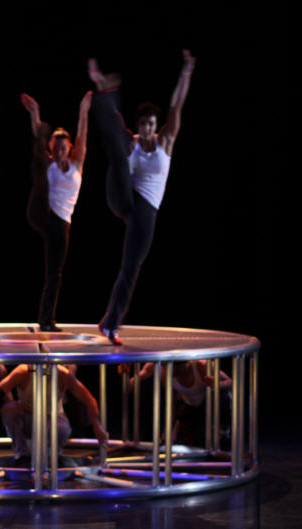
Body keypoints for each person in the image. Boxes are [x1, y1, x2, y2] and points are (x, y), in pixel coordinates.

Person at [88, 51, 196, 344]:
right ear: (139, 126)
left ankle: (110, 322)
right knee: (118, 147)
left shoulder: (165, 141)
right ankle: (106, 90)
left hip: (145, 210)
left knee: (130, 266)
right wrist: (101, 87)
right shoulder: (132, 141)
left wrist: (186, 72)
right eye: (143, 125)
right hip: (123, 197)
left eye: (151, 124)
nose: (147, 129)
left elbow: (176, 105)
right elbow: (115, 126)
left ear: (155, 126)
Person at [20, 91, 92, 331]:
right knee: (39, 166)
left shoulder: (76, 164)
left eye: (63, 147)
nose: (60, 150)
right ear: (52, 147)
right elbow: (38, 138)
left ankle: (46, 320)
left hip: (60, 222)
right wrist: (34, 113)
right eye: (56, 146)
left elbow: (82, 136)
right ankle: (46, 320)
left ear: (69, 148)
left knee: (54, 272)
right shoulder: (48, 163)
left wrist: (83, 111)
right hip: (42, 212)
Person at [0, 364, 108, 465]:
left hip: (52, 419)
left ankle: (51, 458)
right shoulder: (23, 371)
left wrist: (97, 427)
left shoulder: (62, 374)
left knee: (60, 428)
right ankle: (22, 456)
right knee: (9, 409)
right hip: (28, 418)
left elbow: (89, 399)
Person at [122, 360, 231, 446]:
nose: (164, 369)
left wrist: (218, 385)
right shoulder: (161, 368)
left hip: (214, 405)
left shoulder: (201, 366)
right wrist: (125, 374)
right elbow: (172, 402)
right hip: (192, 407)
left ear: (181, 364)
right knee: (196, 444)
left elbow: (231, 382)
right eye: (163, 366)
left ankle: (224, 430)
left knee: (218, 396)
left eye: (166, 366)